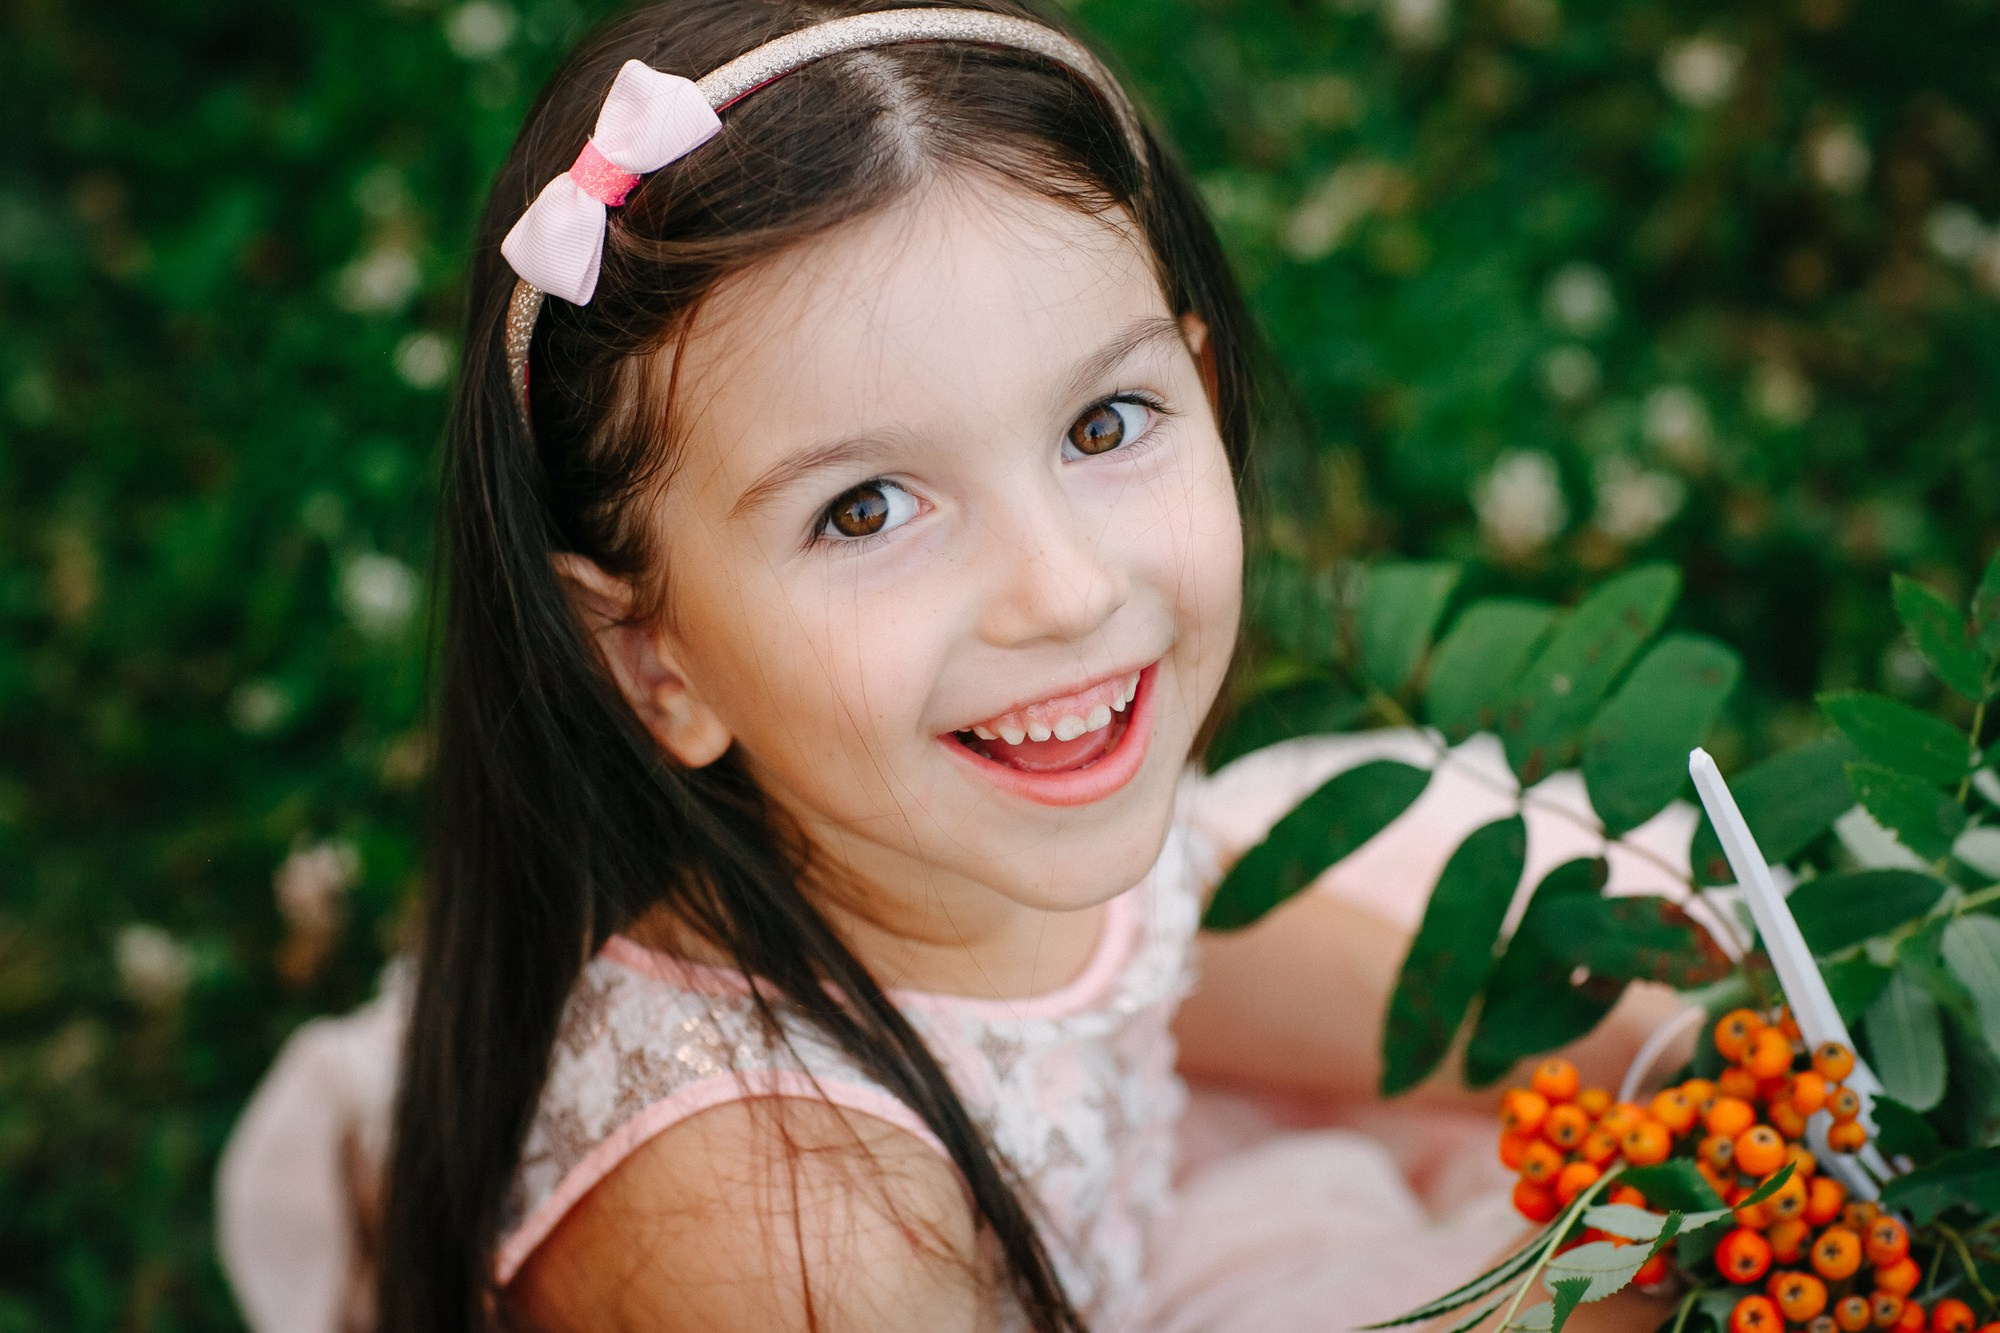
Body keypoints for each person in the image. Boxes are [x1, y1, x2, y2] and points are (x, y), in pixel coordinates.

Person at [216, 3, 1699, 1329]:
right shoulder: (799, 1250)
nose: (1063, 591)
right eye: (865, 509)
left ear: (1194, 361)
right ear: (652, 656)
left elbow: (1187, 944)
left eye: (1106, 424)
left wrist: (1669, 1054)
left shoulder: (974, 813)